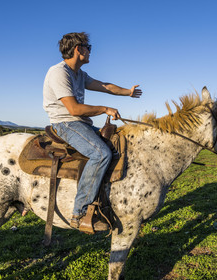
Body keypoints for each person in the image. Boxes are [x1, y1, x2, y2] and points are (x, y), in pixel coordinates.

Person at [43, 32, 142, 233]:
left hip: (80, 123)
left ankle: (108, 199)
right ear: (78, 49)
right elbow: (74, 109)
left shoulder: (79, 74)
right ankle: (79, 212)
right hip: (66, 123)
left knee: (118, 142)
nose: (90, 51)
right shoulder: (59, 72)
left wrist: (128, 93)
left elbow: (105, 86)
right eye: (89, 47)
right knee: (100, 154)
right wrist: (105, 109)